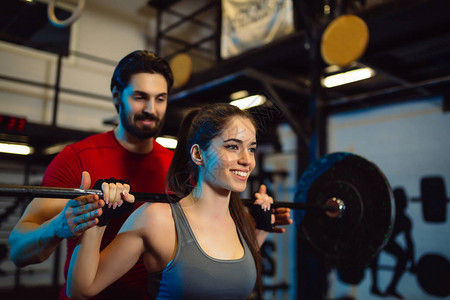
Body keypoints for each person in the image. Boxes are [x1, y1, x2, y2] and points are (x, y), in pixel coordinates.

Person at [66, 103, 291, 300]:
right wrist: (97, 217)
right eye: (232, 146)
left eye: (251, 148)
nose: (246, 160)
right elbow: (82, 289)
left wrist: (261, 228)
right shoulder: (158, 219)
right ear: (198, 155)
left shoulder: (241, 221)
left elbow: (227, 276)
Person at [8, 50, 175, 300]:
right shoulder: (78, 158)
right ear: (117, 97)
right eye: (140, 97)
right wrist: (60, 226)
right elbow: (18, 251)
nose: (151, 109)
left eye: (160, 99)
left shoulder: (176, 166)